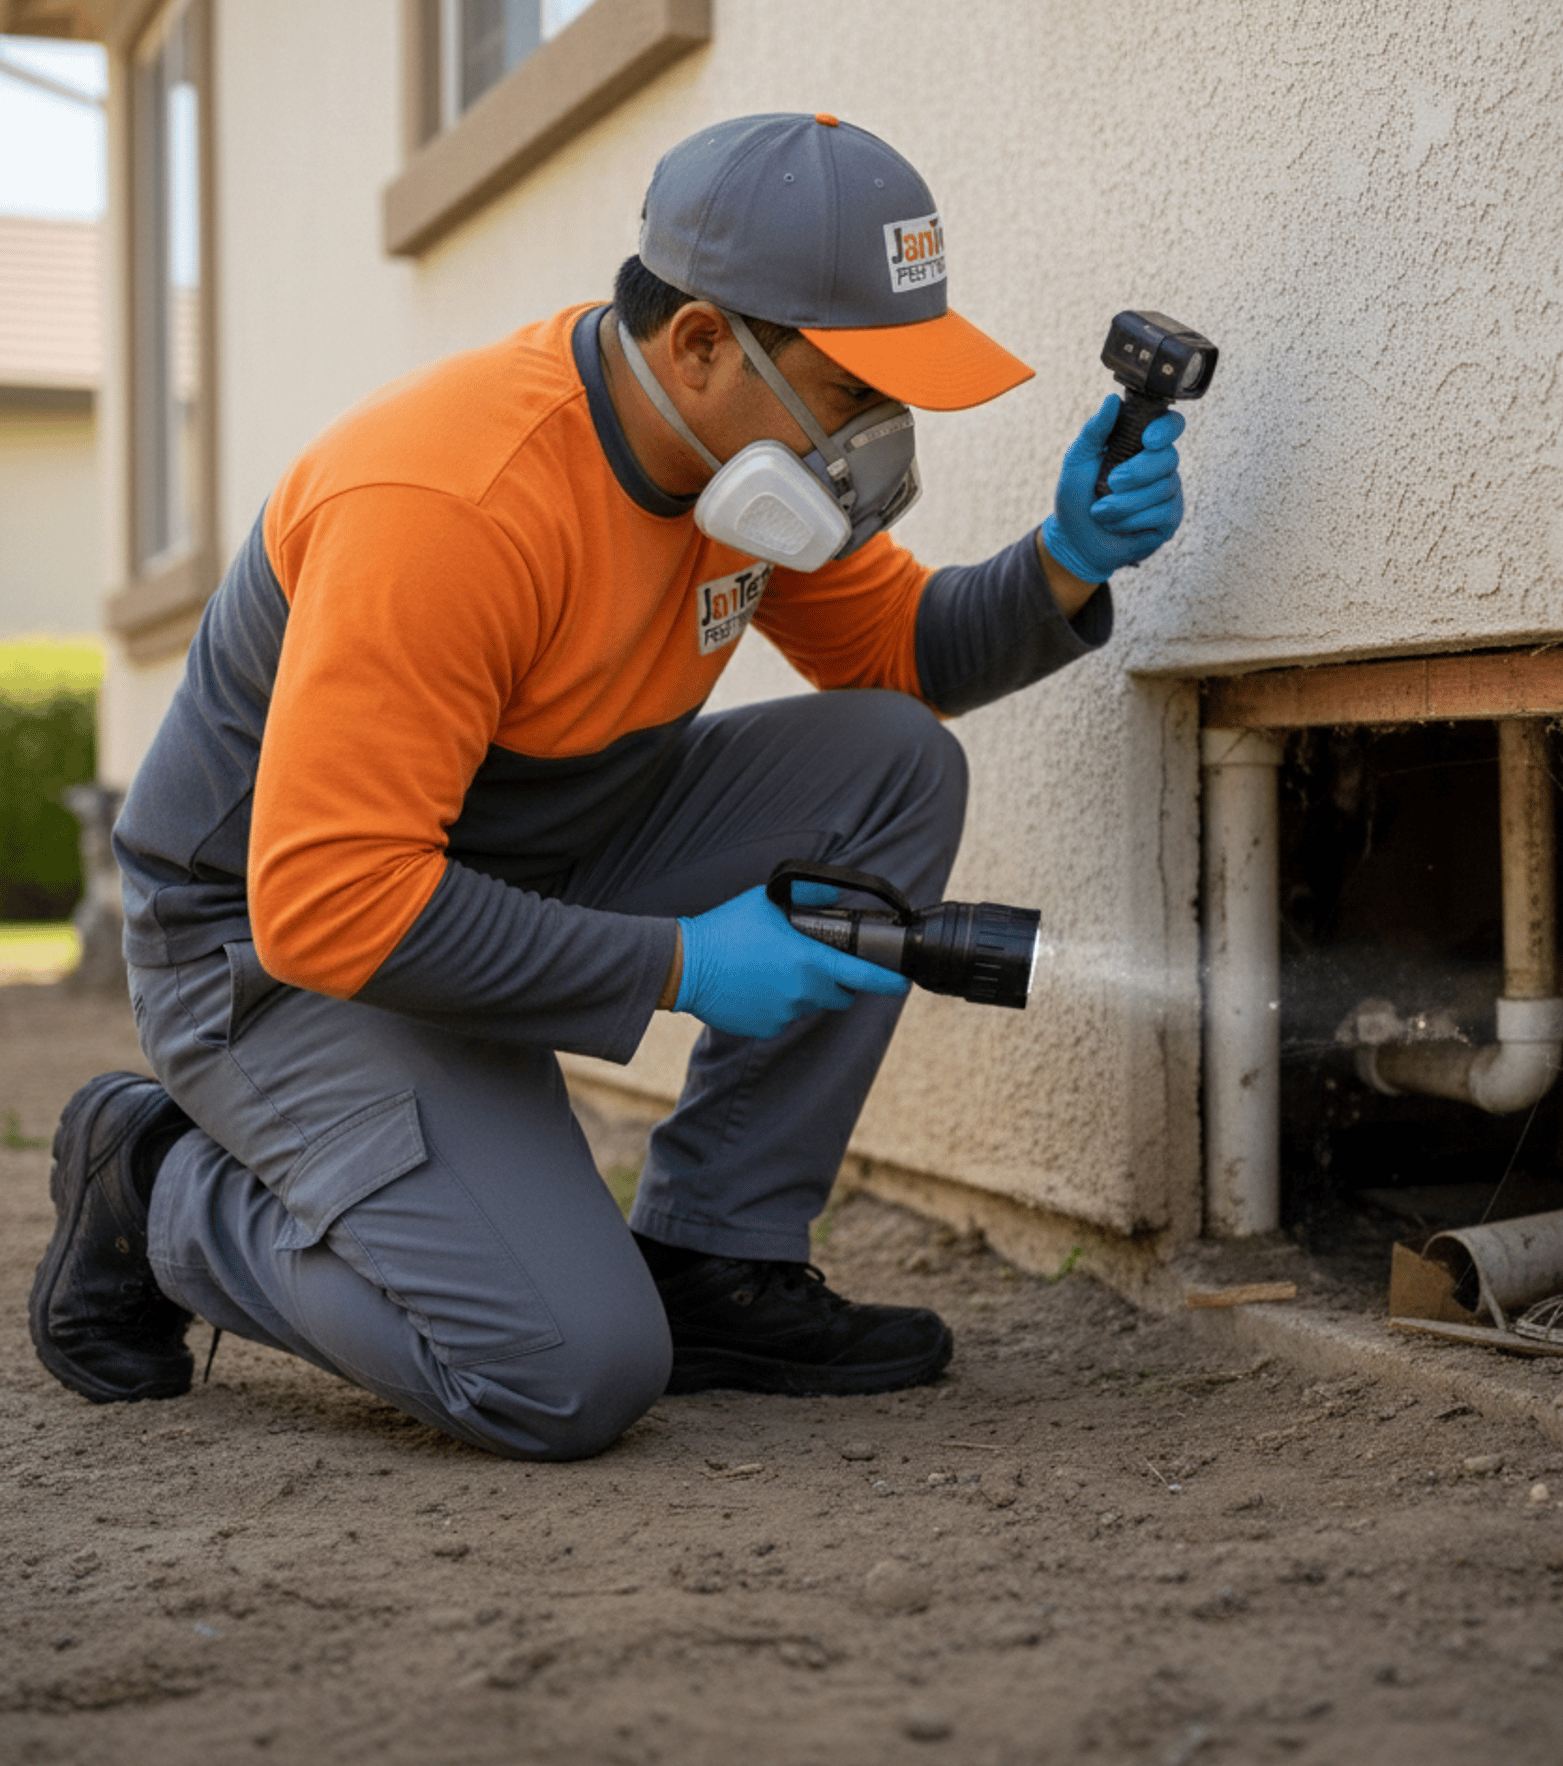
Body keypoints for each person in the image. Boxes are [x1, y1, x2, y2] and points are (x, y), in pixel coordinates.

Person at [29, 112, 1185, 1461]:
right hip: (278, 957)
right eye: (852, 389)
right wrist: (679, 963)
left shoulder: (747, 469)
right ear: (700, 345)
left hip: (516, 859)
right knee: (564, 1371)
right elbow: (332, 904)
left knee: (888, 765)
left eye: (897, 395)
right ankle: (159, 1184)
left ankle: (716, 1262)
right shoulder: (448, 503)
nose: (876, 437)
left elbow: (899, 655)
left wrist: (1064, 557)